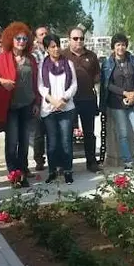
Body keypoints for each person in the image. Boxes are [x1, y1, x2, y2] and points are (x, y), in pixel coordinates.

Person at [0, 22, 41, 186]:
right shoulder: (2, 58)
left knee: (24, 141)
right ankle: (14, 173)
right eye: (18, 38)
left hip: (27, 105)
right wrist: (2, 80)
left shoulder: (31, 59)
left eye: (25, 38)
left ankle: (23, 169)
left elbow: (36, 82)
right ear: (11, 39)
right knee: (12, 141)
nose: (21, 41)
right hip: (10, 107)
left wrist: (37, 102)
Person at [100, 33, 134, 171]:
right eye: (118, 45)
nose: (120, 47)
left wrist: (133, 94)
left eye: (123, 44)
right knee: (122, 134)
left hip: (133, 102)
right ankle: (127, 160)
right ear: (113, 47)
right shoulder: (107, 63)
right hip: (117, 103)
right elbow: (107, 84)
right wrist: (124, 93)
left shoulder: (133, 60)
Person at [38, 34, 78, 184]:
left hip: (66, 108)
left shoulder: (68, 63)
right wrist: (52, 100)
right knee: (52, 142)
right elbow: (40, 86)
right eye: (52, 47)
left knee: (66, 141)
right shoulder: (43, 65)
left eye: (57, 46)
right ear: (47, 49)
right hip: (49, 108)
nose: (56, 49)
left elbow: (74, 84)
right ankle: (52, 170)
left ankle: (67, 170)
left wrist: (64, 99)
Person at [62, 26, 101, 172]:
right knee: (67, 133)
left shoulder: (91, 56)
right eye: (75, 38)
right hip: (69, 100)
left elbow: (97, 76)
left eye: (82, 38)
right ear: (69, 40)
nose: (79, 41)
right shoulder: (62, 55)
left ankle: (91, 162)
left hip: (87, 99)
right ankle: (66, 164)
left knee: (89, 132)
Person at [32, 25, 49, 171]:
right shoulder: (34, 55)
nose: (44, 36)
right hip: (39, 97)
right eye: (41, 34)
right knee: (39, 132)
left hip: (53, 97)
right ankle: (39, 160)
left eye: (45, 33)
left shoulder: (54, 52)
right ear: (36, 38)